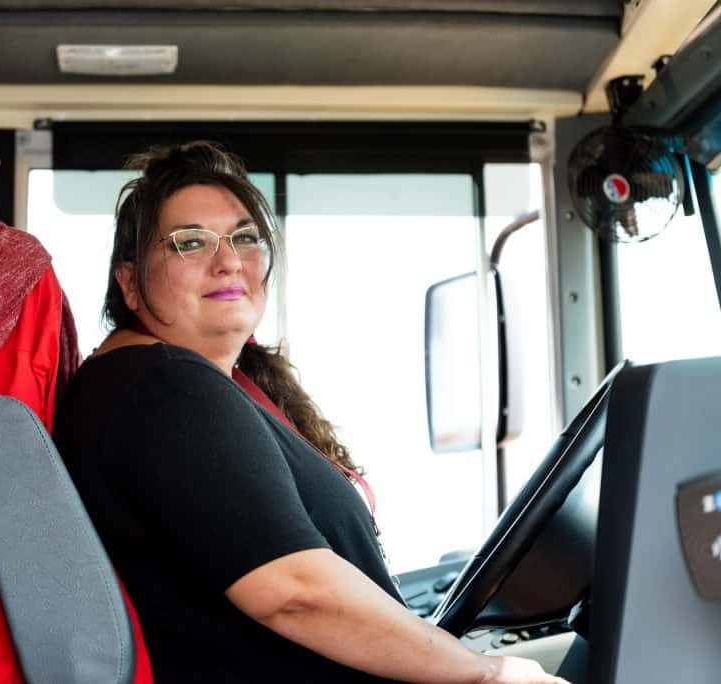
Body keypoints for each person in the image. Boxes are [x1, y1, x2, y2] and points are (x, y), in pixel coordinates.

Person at [53, 141, 569, 684]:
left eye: (245, 237)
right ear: (129, 283)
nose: (228, 259)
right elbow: (294, 592)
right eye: (190, 243)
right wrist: (486, 673)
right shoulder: (163, 387)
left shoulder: (171, 385)